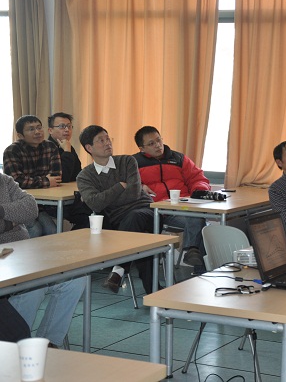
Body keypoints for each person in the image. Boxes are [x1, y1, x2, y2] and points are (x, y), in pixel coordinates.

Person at [0, 172, 85, 347]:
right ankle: (18, 345)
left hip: (23, 253)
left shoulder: (4, 181)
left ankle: (49, 343)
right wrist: (11, 222)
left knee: (76, 278)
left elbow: (31, 208)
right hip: (5, 260)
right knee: (34, 287)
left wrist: (1, 211)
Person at [76, 125, 156, 294]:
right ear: (89, 148)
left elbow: (134, 194)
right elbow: (95, 204)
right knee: (142, 240)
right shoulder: (85, 176)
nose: (107, 143)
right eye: (101, 140)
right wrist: (119, 186)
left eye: (108, 138)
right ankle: (153, 292)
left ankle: (118, 270)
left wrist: (105, 198)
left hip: (146, 211)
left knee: (135, 219)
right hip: (118, 221)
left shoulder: (127, 161)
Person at [133, 126, 209, 269]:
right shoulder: (134, 163)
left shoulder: (179, 159)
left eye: (159, 140)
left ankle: (191, 251)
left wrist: (199, 191)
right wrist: (141, 186)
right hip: (161, 212)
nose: (158, 145)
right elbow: (127, 184)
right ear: (141, 148)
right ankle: (196, 262)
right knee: (200, 224)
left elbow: (197, 178)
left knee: (198, 219)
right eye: (151, 143)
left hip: (184, 206)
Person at [3, 115, 61, 237]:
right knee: (35, 229)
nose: (37, 132)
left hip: (43, 204)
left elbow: (56, 177)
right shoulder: (12, 151)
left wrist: (32, 181)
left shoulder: (50, 147)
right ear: (20, 135)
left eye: (39, 128)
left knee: (51, 230)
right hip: (20, 204)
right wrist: (45, 181)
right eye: (31, 129)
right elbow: (17, 181)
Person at [46, 112, 93, 229]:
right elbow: (63, 177)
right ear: (50, 130)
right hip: (52, 202)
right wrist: (67, 151)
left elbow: (78, 173)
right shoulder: (47, 148)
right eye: (62, 126)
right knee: (90, 217)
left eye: (69, 126)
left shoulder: (66, 145)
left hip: (70, 197)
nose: (67, 130)